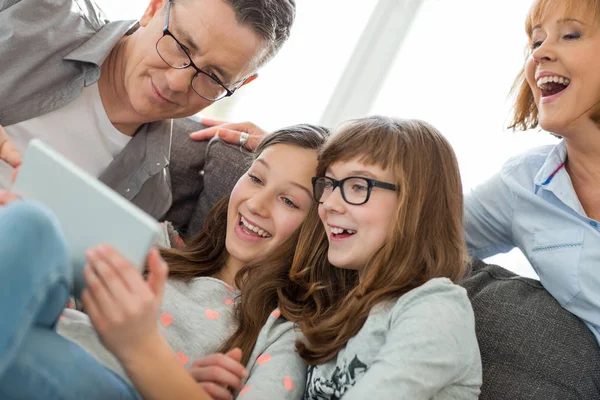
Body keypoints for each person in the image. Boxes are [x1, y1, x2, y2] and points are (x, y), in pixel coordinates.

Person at [0, 124, 328, 400]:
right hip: (40, 336)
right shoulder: (155, 244)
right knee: (33, 222)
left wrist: (178, 385)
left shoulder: (283, 335)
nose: (256, 204)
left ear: (319, 231)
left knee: (28, 346)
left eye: (288, 200)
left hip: (112, 385)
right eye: (256, 178)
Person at [196, 116, 482, 398]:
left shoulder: (436, 308)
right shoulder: (338, 310)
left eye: (358, 186)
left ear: (415, 206)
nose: (329, 204)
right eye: (329, 184)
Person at [0, 0, 295, 219]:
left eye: (214, 77)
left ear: (240, 85)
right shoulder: (32, 10)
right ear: (153, 8)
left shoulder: (148, 199)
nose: (177, 81)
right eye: (181, 45)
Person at [463, 0, 600, 345]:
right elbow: (418, 236)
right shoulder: (523, 183)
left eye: (570, 35)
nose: (541, 54)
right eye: (536, 42)